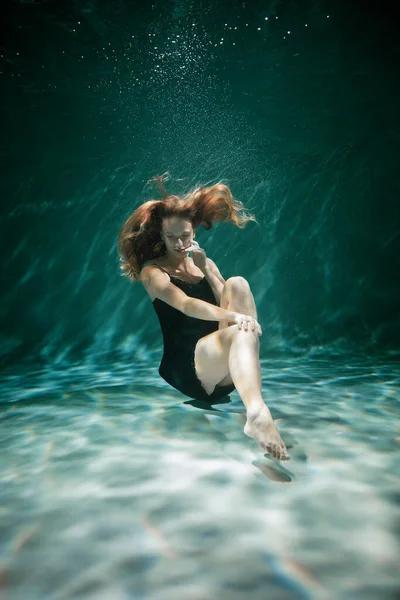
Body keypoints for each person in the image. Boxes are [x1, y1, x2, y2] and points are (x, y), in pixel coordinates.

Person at [118, 175, 289, 460]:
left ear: (194, 232)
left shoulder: (204, 261)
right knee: (239, 329)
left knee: (238, 283)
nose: (178, 243)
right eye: (171, 237)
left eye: (184, 236)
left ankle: (255, 407)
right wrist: (235, 318)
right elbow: (186, 304)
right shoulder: (154, 272)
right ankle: (257, 412)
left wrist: (206, 269)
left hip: (223, 366)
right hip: (189, 370)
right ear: (161, 235)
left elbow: (230, 298)